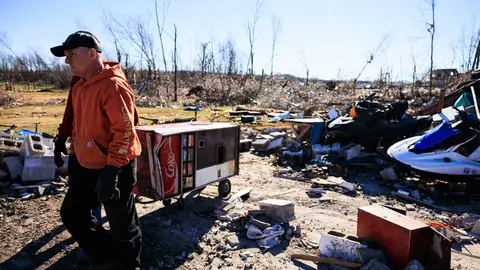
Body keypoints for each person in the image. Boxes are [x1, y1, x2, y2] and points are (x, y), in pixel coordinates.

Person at [50, 31, 142, 270]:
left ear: (92, 53)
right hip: (85, 164)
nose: (67, 60)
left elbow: (125, 131)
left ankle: (129, 265)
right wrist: (62, 139)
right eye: (65, 56)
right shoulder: (80, 85)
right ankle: (110, 257)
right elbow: (74, 118)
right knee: (72, 213)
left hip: (114, 165)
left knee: (122, 225)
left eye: (72, 54)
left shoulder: (112, 85)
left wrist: (112, 170)